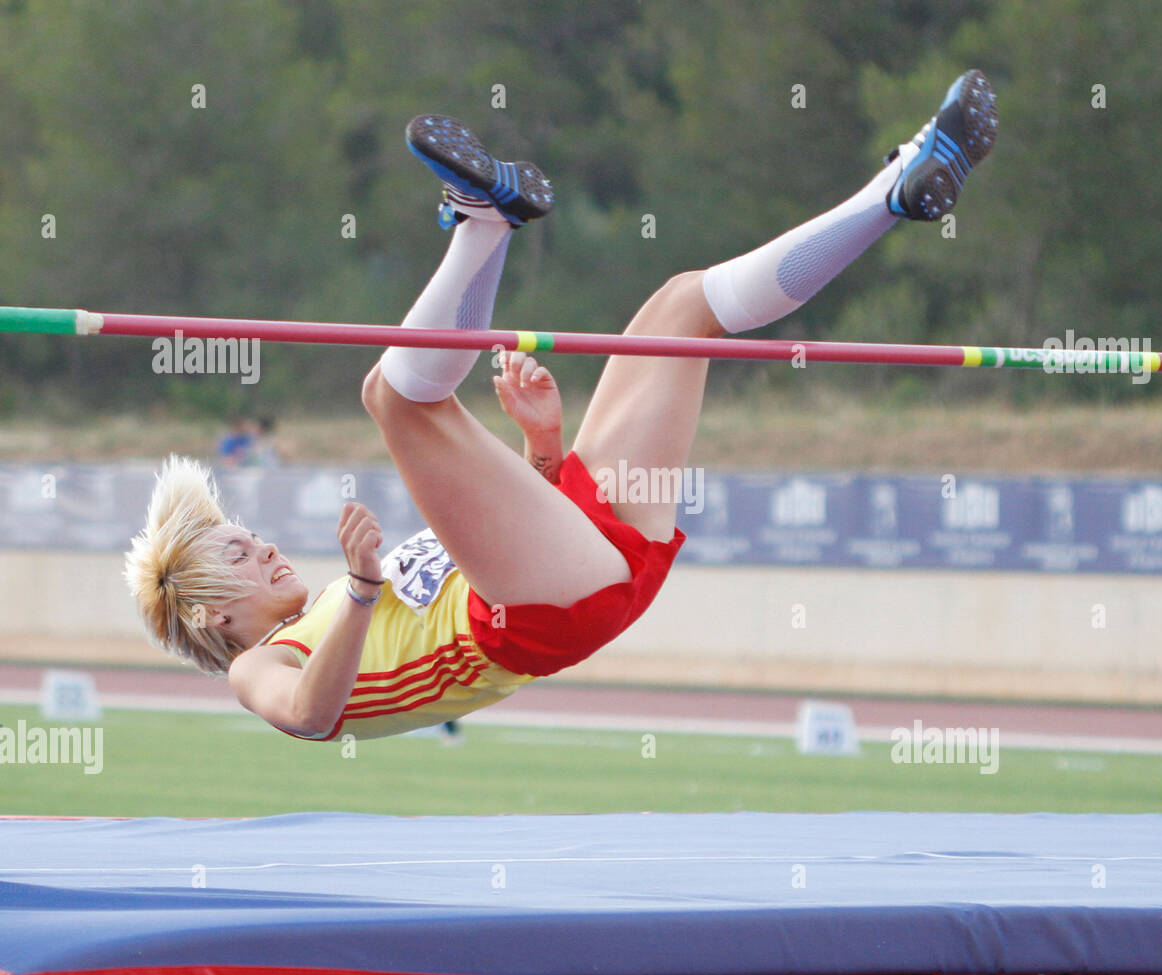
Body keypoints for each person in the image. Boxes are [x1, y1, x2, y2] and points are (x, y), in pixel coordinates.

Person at [124, 71, 997, 741]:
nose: (264, 545)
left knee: (682, 307)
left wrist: (543, 446)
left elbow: (520, 542)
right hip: (543, 618)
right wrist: (358, 589)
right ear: (211, 614)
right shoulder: (266, 664)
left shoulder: (331, 609)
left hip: (585, 552)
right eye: (240, 553)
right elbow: (312, 718)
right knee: (393, 398)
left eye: (247, 536)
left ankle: (897, 188)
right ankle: (485, 220)